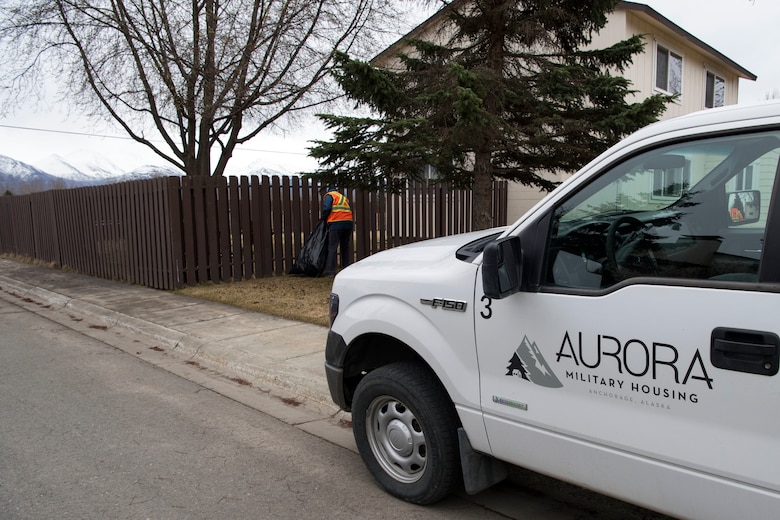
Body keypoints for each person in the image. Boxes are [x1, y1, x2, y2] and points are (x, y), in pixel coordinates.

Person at [321, 187, 354, 276]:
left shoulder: (330, 196)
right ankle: (346, 268)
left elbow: (327, 208)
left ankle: (330, 271)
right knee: (345, 247)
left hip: (336, 223)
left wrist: (323, 218)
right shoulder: (343, 197)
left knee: (332, 247)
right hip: (348, 224)